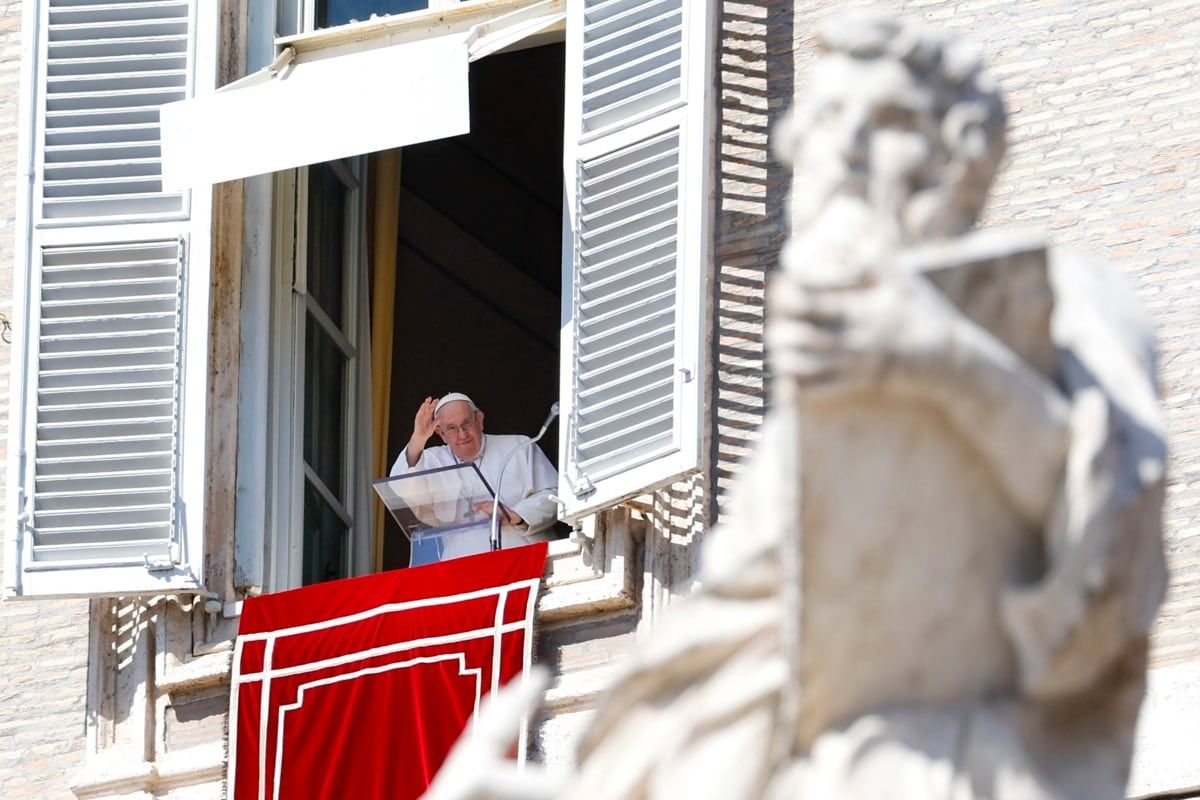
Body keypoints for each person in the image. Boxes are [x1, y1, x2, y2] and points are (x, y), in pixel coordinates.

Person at [390, 392, 558, 559]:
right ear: (441, 434)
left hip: (524, 558)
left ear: (479, 420)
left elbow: (555, 495)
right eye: (452, 428)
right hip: (461, 568)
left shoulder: (519, 446)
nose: (462, 435)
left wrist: (515, 515)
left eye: (467, 423)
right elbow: (402, 489)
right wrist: (418, 439)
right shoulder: (432, 460)